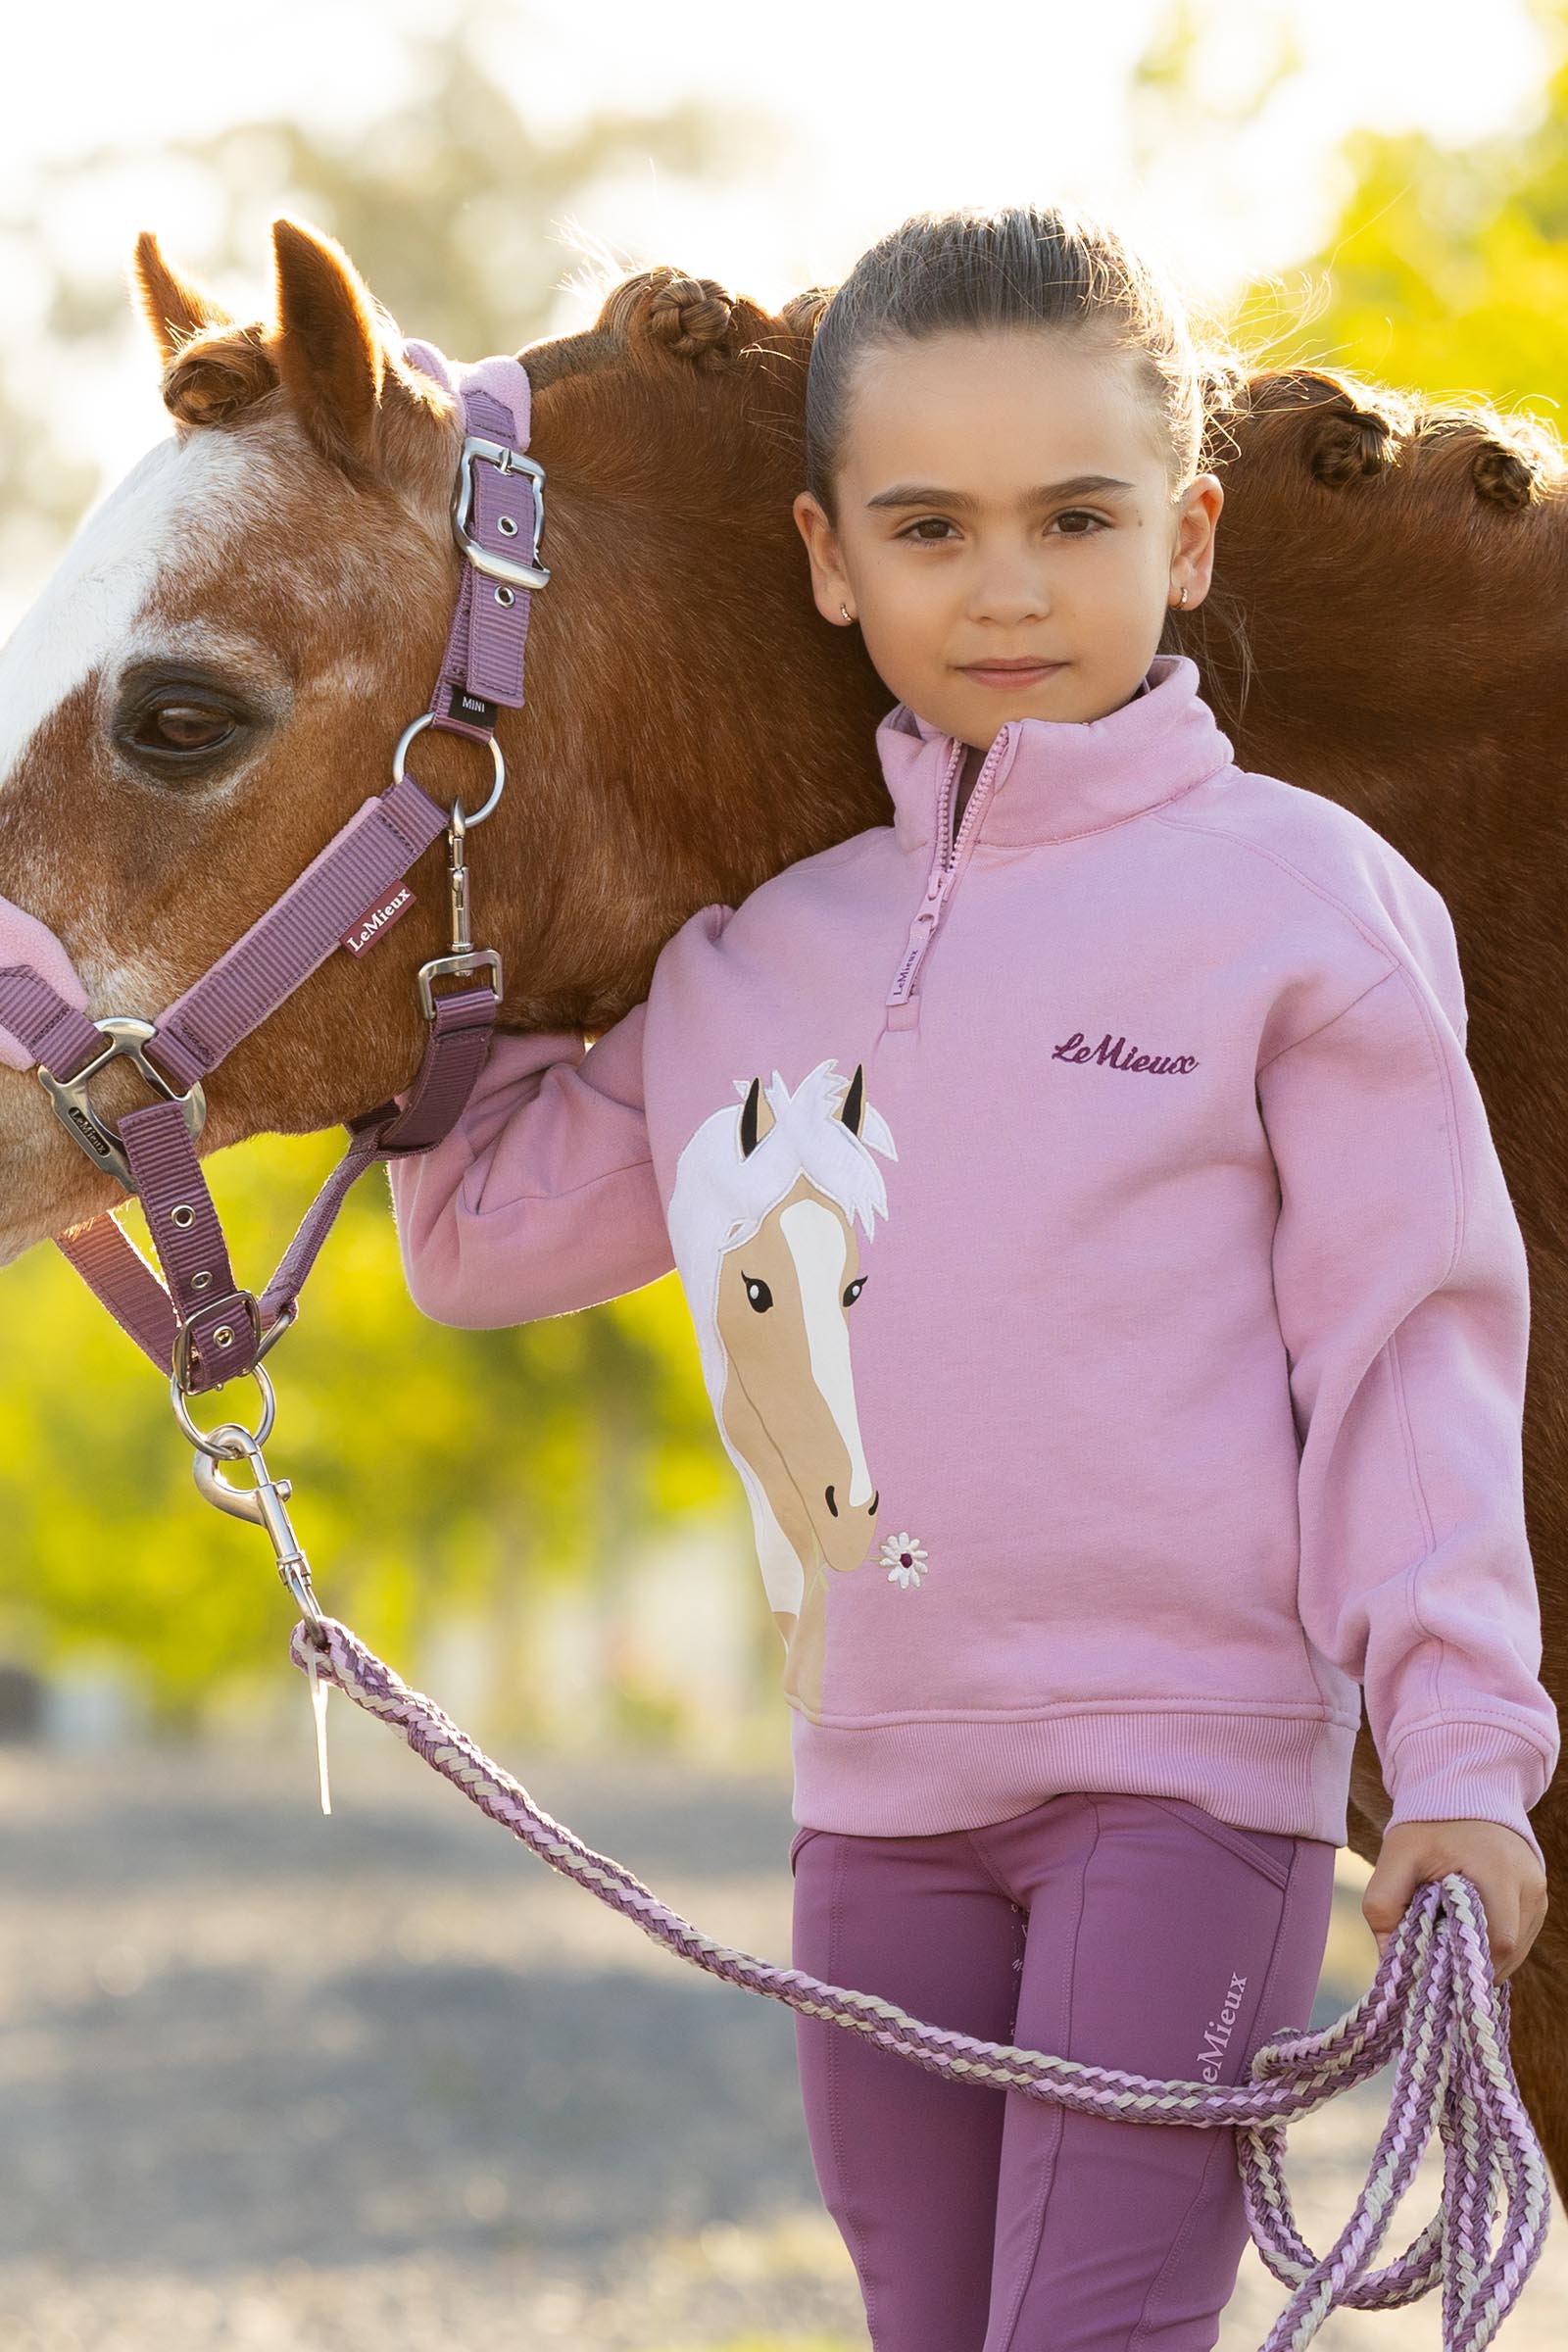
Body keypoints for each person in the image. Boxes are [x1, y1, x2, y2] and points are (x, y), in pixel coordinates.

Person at [387, 202, 1557, 2349]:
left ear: (1184, 535)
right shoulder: (756, 960)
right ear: (829, 558)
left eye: (1072, 517)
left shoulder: (1303, 905)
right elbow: (473, 1237)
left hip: (1182, 1781)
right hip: (875, 1799)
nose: (1003, 586)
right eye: (927, 528)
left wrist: (1466, 1761)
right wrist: (190, 1097)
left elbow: (1407, 1351)